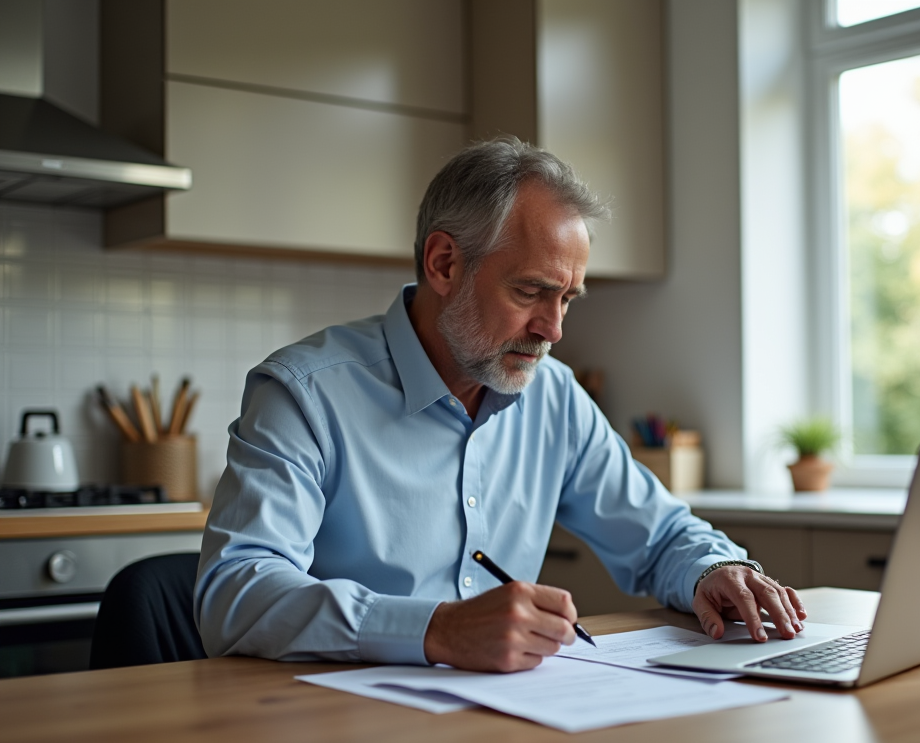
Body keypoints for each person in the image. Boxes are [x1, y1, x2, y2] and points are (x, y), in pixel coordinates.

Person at [195, 137, 806, 672]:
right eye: (531, 292)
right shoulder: (304, 394)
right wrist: (437, 629)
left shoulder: (555, 396)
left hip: (503, 729)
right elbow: (235, 593)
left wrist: (712, 569)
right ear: (444, 264)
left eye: (568, 298)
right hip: (334, 732)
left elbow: (658, 533)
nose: (554, 329)